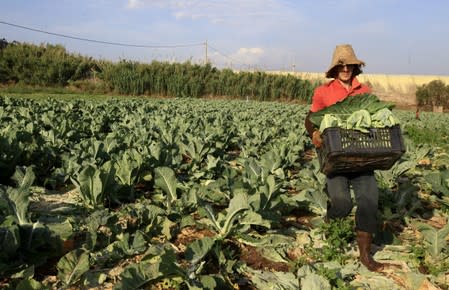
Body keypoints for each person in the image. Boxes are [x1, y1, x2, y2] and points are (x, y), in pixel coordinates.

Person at [304, 44, 386, 272]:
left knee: (369, 200)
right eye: (341, 65)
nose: (346, 69)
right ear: (334, 69)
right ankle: (332, 224)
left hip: (362, 157)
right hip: (336, 158)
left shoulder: (364, 92)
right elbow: (311, 118)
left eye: (349, 65)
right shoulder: (323, 92)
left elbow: (375, 117)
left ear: (354, 67)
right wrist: (314, 132)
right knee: (341, 202)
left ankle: (365, 255)